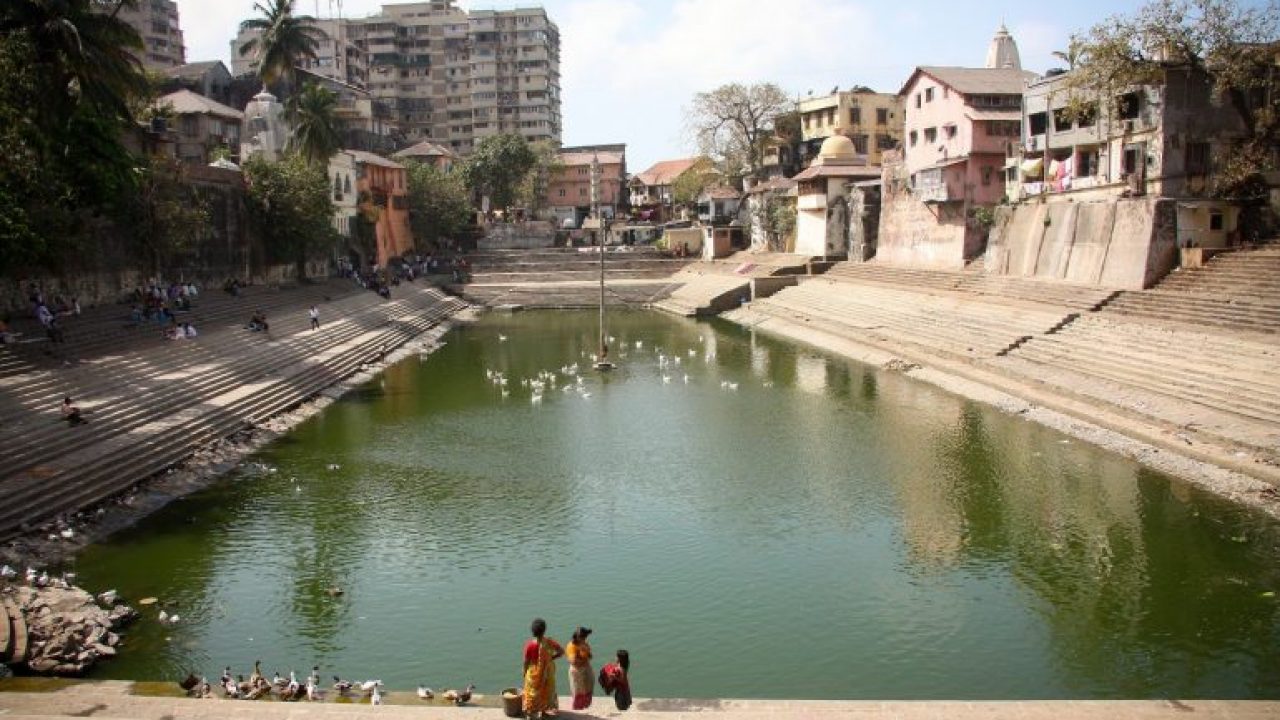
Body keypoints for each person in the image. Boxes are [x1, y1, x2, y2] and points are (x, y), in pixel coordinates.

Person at [522, 617, 563, 719]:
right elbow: (561, 652)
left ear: (533, 631)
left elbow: (526, 662)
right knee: (546, 691)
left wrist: (524, 672)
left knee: (532, 692)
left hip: (533, 673)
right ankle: (544, 712)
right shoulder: (550, 642)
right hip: (547, 671)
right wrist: (550, 658)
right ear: (544, 630)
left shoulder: (529, 645)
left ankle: (531, 713)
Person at [566, 627, 594, 710]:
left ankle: (585, 705)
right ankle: (577, 707)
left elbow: (589, 655)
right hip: (577, 671)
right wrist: (585, 660)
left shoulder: (584, 643)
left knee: (587, 687)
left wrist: (587, 654)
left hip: (585, 669)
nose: (585, 640)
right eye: (583, 638)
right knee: (578, 690)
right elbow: (573, 661)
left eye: (585, 638)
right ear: (578, 637)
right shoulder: (572, 646)